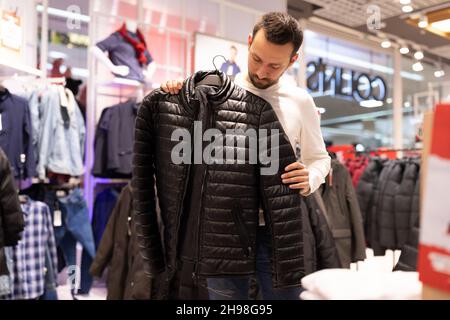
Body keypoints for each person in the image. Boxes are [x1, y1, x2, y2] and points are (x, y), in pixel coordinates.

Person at [160, 12, 331, 300]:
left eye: (275, 65)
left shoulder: (300, 101)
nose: (262, 71)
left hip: (278, 229)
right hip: (223, 229)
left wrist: (310, 177)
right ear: (249, 43)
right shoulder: (214, 93)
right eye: (256, 59)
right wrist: (176, 95)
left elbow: (320, 158)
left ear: (293, 60)